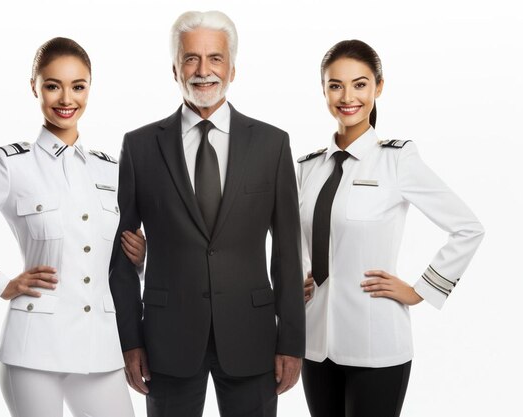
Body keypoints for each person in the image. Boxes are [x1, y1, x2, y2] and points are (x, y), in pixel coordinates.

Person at [0, 37, 146, 417]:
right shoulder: (15, 165)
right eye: (52, 85)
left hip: (99, 347)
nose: (66, 99)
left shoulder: (110, 169)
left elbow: (113, 262)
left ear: (90, 88)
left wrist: (143, 259)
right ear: (34, 87)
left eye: (78, 86)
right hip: (33, 348)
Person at [109, 10, 305, 417]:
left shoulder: (272, 144)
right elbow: (120, 259)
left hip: (252, 337)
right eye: (191, 58)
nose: (203, 71)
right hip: (166, 340)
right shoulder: (140, 146)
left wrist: (291, 341)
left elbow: (287, 252)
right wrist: (130, 339)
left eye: (215, 58)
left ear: (232, 68)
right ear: (175, 68)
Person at [297, 39, 485, 417]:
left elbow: (468, 227)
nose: (347, 96)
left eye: (360, 84)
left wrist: (420, 290)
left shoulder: (396, 160)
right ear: (324, 91)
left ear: (378, 87)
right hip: (315, 345)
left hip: (376, 344)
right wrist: (295, 281)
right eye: (336, 85)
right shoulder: (307, 167)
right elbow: (293, 240)